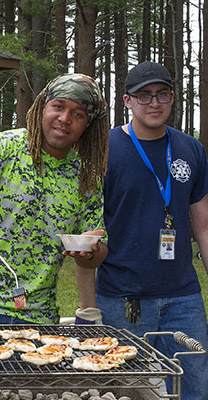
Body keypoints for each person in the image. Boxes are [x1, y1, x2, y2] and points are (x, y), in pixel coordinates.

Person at [0, 73, 109, 325]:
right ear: (41, 108)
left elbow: (97, 255)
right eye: (58, 107)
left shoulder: (86, 177)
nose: (65, 119)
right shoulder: (3, 147)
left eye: (78, 114)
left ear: (88, 124)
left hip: (38, 318)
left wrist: (90, 252)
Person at [95, 61, 208, 399]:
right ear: (127, 101)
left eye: (163, 94)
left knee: (194, 386)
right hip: (123, 297)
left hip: (183, 295)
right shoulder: (105, 150)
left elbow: (202, 223)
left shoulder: (191, 149)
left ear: (173, 98)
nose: (155, 103)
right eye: (144, 96)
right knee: (132, 390)